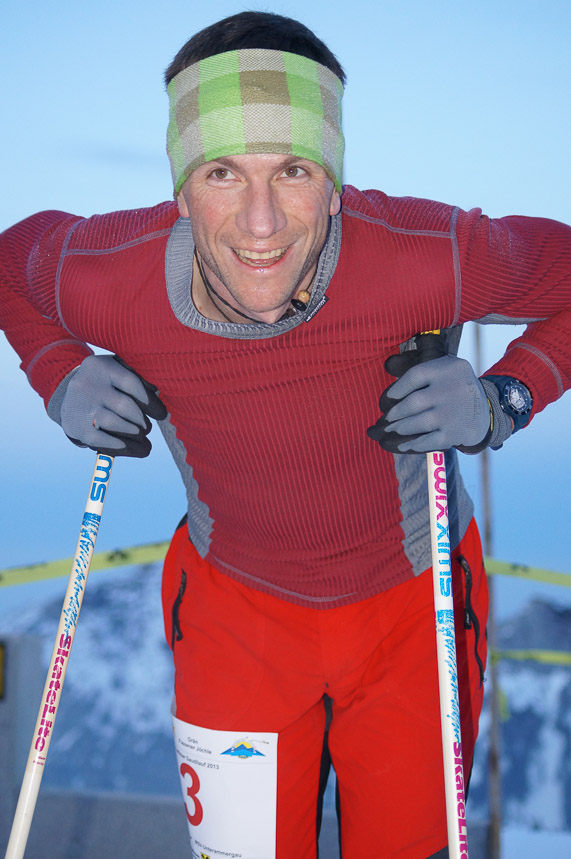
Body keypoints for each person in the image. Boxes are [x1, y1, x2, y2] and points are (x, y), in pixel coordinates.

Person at [1, 10, 570, 859]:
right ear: (181, 191)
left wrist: (505, 397)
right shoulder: (110, 277)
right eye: (222, 172)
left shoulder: (426, 254)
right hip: (236, 617)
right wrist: (57, 372)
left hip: (413, 610)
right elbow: (10, 264)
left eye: (293, 170)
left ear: (334, 183)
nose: (260, 222)